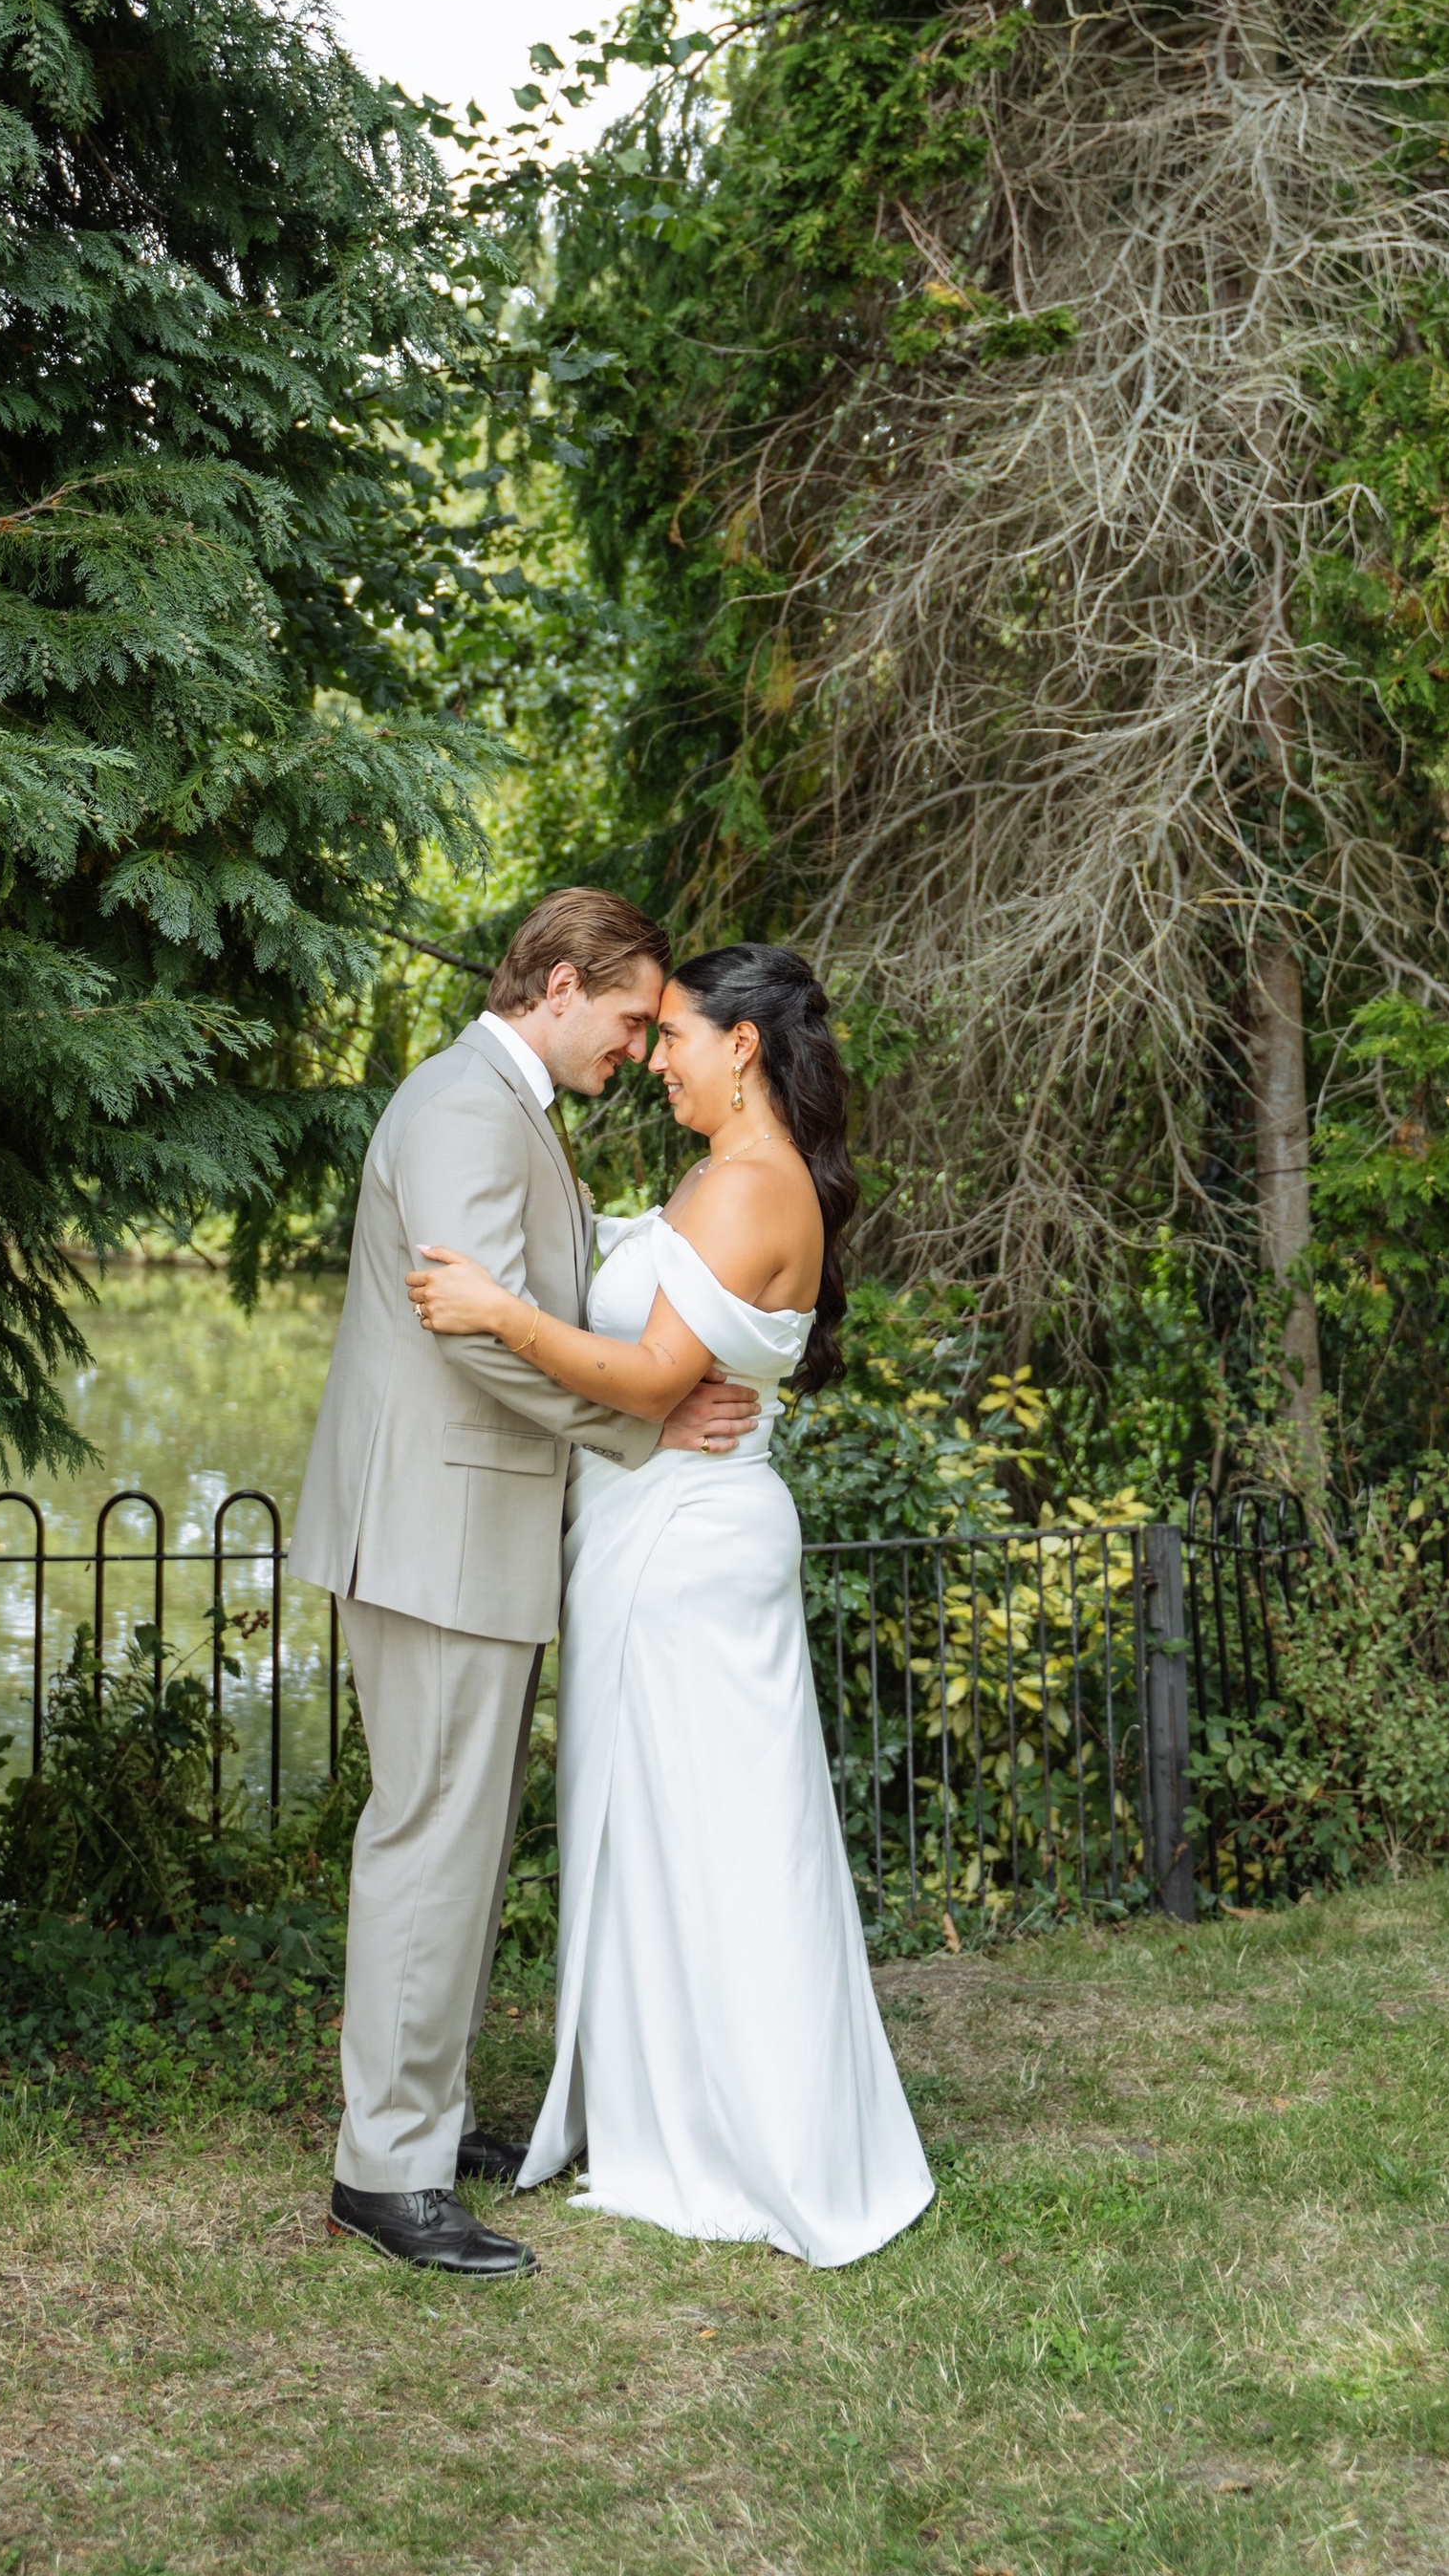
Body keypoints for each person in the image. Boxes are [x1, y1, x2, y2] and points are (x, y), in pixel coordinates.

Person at [408, 941, 934, 2270]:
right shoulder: (721, 1174)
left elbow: (650, 1383)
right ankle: (662, 2106)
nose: (656, 1064)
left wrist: (489, 1311)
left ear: (743, 1046)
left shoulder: (754, 1187)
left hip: (694, 1552)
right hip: (658, 1538)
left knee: (725, 1844)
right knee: (659, 1834)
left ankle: (750, 2136)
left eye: (679, 1040)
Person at [288, 889, 763, 2279]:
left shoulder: (511, 1111)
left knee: (461, 1839)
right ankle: (386, 2171)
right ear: (559, 985)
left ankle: (423, 2123)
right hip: (436, 1537)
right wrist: (645, 1423)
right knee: (432, 1838)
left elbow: (539, 1285)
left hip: (469, 1532)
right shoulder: (459, 1110)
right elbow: (477, 1337)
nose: (632, 1050)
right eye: (625, 1020)